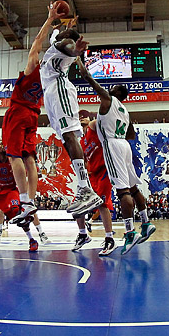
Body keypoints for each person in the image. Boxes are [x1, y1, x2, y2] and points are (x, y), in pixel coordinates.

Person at [75, 57, 155, 255]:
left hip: (112, 145)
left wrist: (79, 62)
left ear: (114, 92)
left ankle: (130, 232)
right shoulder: (125, 110)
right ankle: (145, 222)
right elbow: (132, 135)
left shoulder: (109, 100)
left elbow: (88, 78)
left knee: (122, 192)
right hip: (125, 144)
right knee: (133, 188)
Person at [2, 5, 58, 245]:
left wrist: (49, 19)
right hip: (34, 115)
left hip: (18, 112)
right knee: (30, 159)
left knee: (13, 156)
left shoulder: (34, 65)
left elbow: (37, 40)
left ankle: (24, 199)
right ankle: (31, 200)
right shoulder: (49, 75)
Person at [39, 11, 102, 217]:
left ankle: (86, 188)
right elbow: (54, 34)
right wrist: (55, 18)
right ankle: (84, 188)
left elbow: (65, 44)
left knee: (69, 135)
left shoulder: (61, 47)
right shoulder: (53, 42)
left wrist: (74, 48)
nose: (62, 33)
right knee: (66, 140)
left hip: (59, 89)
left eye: (67, 33)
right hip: (50, 94)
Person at [76, 112, 117, 256]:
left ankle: (109, 239)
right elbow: (85, 160)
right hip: (93, 175)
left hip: (105, 170)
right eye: (79, 116)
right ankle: (83, 234)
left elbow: (102, 116)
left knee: (103, 204)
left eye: (84, 116)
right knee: (78, 205)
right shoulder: (81, 141)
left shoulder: (93, 127)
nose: (81, 118)